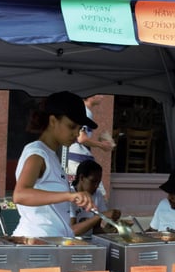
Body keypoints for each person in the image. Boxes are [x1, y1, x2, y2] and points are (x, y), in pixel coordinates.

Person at [13, 91, 98, 237]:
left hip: (53, 241)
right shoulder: (37, 153)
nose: (76, 134)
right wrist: (68, 196)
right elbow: (20, 195)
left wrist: (73, 196)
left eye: (79, 128)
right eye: (71, 126)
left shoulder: (51, 154)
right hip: (37, 240)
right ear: (53, 121)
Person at [70, 160, 123, 236]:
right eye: (93, 181)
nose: (96, 186)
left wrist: (112, 229)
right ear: (81, 178)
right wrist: (100, 215)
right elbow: (72, 231)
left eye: (98, 182)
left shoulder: (97, 193)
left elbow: (96, 228)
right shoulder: (70, 196)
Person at [66, 95, 115, 176]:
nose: (102, 97)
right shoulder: (86, 112)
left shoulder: (79, 110)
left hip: (73, 158)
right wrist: (102, 145)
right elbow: (82, 139)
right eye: (99, 94)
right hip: (78, 159)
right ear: (90, 96)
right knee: (95, 187)